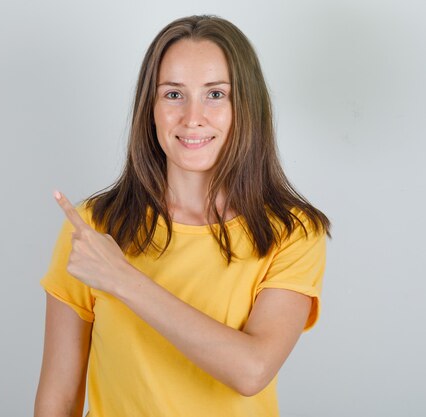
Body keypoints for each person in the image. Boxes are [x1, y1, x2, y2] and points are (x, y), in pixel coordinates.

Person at [34, 15, 330, 417]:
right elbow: (59, 398)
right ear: (150, 108)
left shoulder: (292, 233)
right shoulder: (94, 228)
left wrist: (122, 279)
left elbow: (252, 370)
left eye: (216, 94)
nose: (193, 117)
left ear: (247, 106)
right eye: (173, 94)